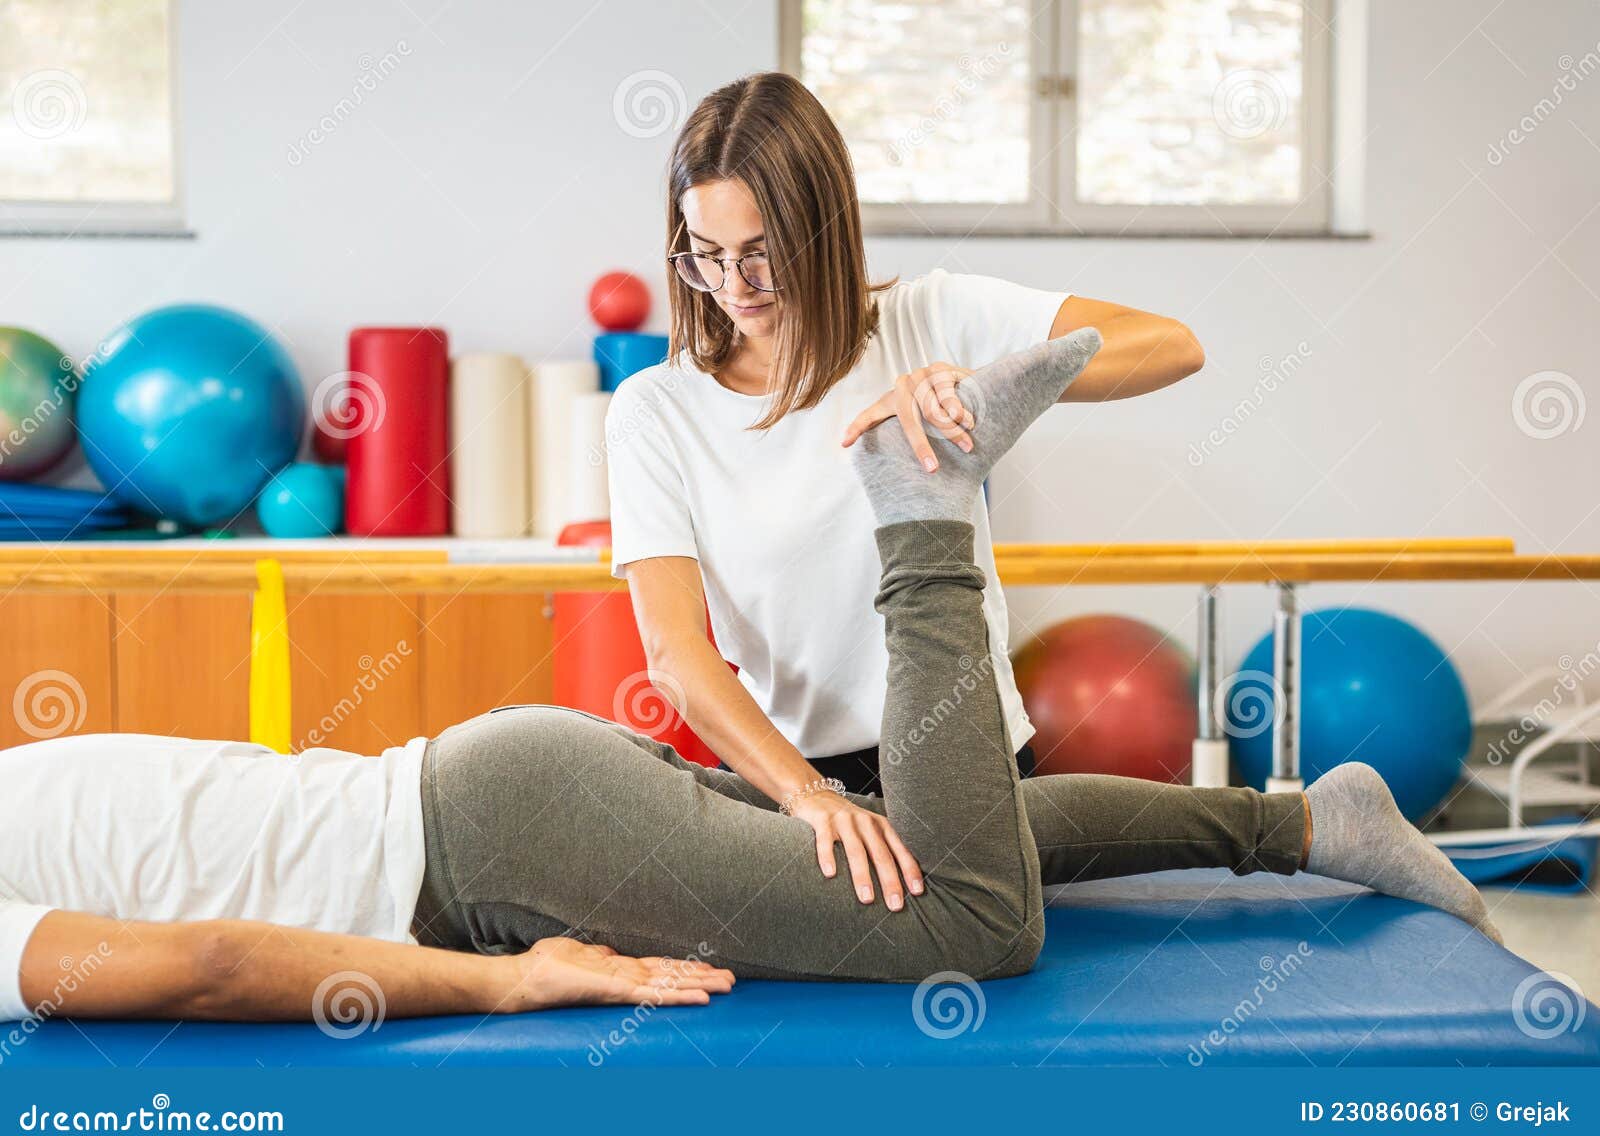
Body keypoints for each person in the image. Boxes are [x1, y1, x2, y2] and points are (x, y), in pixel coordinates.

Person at [0, 334, 1497, 1025]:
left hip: (498, 849)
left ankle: (922, 519)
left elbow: (202, 964)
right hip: (487, 781)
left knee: (961, 930)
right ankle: (1305, 823)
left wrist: (510, 982)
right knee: (915, 851)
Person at [607, 72, 1212, 912]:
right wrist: (806, 796)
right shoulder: (655, 410)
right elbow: (676, 655)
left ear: (821, 228)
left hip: (966, 764)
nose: (734, 284)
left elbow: (1171, 345)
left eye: (760, 251)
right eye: (706, 256)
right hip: (788, 779)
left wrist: (981, 385)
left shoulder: (925, 318)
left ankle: (1301, 830)